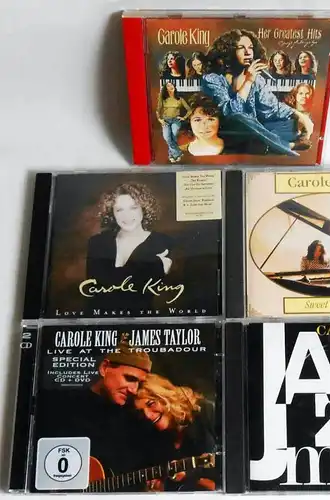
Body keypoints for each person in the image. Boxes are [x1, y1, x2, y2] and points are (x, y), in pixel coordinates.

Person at [35, 345, 171, 491]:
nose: (134, 389)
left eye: (139, 383)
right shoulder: (60, 406)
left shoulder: (136, 421)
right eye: (129, 378)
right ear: (104, 368)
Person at [202, 29, 313, 155]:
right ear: (228, 51)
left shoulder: (256, 77)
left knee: (292, 124)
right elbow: (230, 113)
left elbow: (272, 107)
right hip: (228, 131)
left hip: (254, 129)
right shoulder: (212, 79)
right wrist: (248, 81)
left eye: (250, 48)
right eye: (241, 48)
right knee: (240, 117)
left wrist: (299, 115)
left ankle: (263, 142)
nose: (248, 52)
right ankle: (287, 145)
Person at [85, 182, 173, 313]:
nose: (126, 216)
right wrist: (154, 267)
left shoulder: (162, 242)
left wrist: (116, 276)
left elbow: (139, 296)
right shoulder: (98, 242)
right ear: (112, 213)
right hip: (99, 319)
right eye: (119, 210)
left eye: (133, 208)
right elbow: (97, 290)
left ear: (144, 208)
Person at [135, 373, 217, 491]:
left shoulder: (207, 412)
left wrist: (190, 476)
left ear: (166, 397)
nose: (147, 415)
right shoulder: (154, 437)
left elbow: (230, 468)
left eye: (151, 404)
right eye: (141, 412)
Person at [156, 81, 192, 163]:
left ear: (174, 87)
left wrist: (184, 117)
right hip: (165, 120)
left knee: (174, 134)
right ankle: (178, 153)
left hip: (176, 120)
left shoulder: (180, 99)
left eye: (172, 85)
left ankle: (171, 155)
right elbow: (158, 110)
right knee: (167, 138)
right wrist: (160, 119)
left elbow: (189, 110)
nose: (171, 86)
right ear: (166, 89)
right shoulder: (163, 99)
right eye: (168, 86)